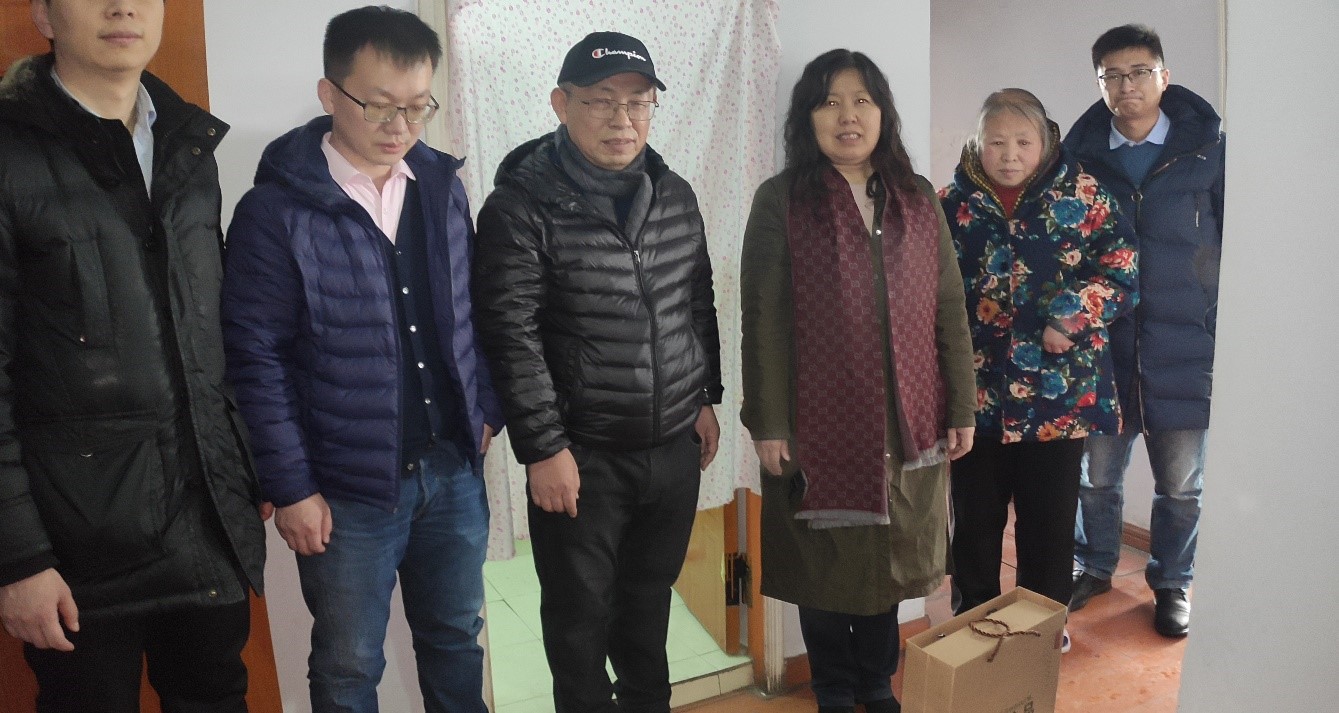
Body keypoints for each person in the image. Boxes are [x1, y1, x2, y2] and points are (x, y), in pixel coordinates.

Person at [220, 6, 501, 711]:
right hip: (345, 491)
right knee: (348, 667)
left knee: (457, 640)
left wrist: (486, 410)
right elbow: (256, 358)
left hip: (452, 470)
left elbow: (472, 309)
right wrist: (291, 487)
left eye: (417, 106)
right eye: (378, 105)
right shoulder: (274, 212)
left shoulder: (441, 187)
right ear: (329, 93)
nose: (399, 126)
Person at [0, 0, 266, 709]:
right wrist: (18, 559)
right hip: (76, 551)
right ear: (44, 16)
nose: (123, 7)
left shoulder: (186, 143)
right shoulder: (11, 149)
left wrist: (244, 463)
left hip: (204, 526)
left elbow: (209, 331)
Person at [472, 31, 723, 713]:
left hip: (670, 448)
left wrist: (704, 396)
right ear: (562, 104)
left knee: (647, 609)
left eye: (637, 103)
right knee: (579, 623)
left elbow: (695, 302)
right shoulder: (520, 207)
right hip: (582, 458)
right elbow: (510, 335)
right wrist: (543, 448)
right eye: (601, 101)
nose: (622, 120)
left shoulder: (673, 193)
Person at [741, 49, 976, 713]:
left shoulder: (918, 199)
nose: (847, 115)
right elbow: (762, 320)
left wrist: (960, 405)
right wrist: (769, 422)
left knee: (890, 562)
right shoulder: (781, 201)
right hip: (815, 423)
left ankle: (876, 682)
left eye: (861, 100)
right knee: (823, 563)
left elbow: (948, 308)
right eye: (830, 101)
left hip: (908, 419)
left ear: (882, 113)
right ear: (807, 116)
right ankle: (834, 688)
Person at [940, 89, 1137, 649]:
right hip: (976, 397)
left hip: (1059, 395)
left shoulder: (1085, 194)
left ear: (1046, 140)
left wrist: (1072, 315)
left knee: (1048, 524)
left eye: (1023, 142)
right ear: (978, 142)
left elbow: (1123, 269)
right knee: (974, 522)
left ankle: (1043, 630)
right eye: (996, 142)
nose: (1009, 154)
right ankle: (972, 625)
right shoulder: (948, 204)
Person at [1064, 24, 1224, 638]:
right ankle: (1094, 565)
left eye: (1138, 72)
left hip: (1185, 345)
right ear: (1099, 83)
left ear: (1163, 75)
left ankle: (1173, 582)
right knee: (1096, 476)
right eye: (1112, 75)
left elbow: (1234, 241)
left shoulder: (1207, 151)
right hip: (1103, 347)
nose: (1126, 85)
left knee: (1181, 485)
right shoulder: (1078, 159)